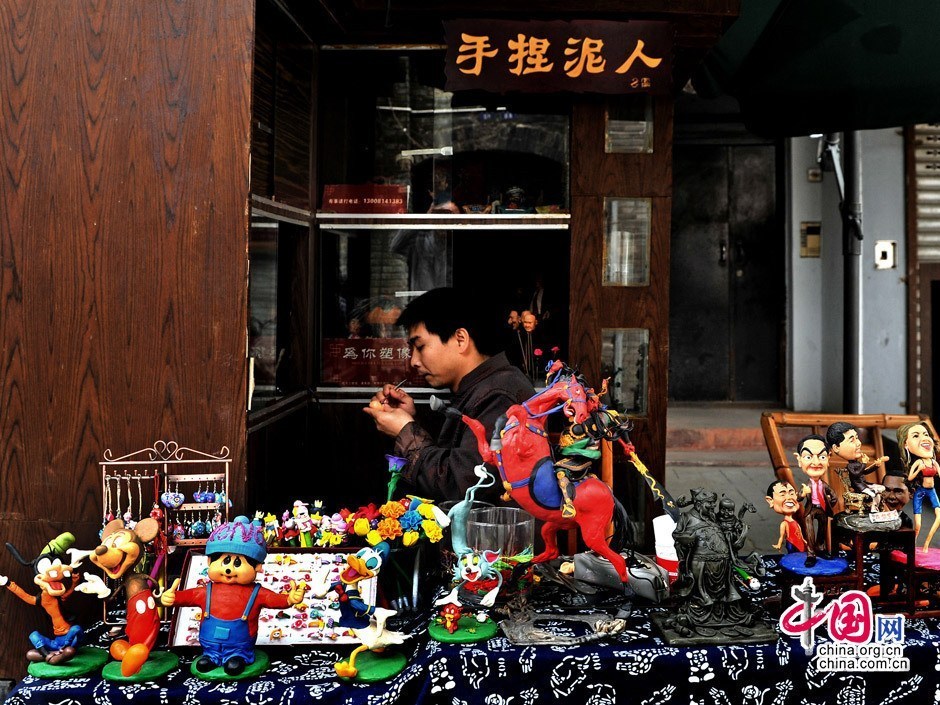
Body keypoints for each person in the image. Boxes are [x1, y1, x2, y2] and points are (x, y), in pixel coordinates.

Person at [363, 288, 534, 504]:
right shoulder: (482, 386)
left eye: (420, 346)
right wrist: (410, 421)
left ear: (460, 339)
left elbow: (463, 485)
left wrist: (406, 431)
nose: (413, 361)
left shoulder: (499, 395)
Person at [795, 434, 838, 568]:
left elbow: (834, 495)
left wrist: (832, 501)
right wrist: (802, 493)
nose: (816, 462)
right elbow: (798, 498)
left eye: (822, 457)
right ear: (799, 459)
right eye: (808, 457)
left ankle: (821, 548)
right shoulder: (806, 485)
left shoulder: (824, 485)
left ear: (828, 458)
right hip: (810, 509)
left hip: (823, 508)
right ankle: (811, 554)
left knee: (823, 530)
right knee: (809, 531)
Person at [898, 421, 940, 552]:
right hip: (921, 491)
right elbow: (910, 477)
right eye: (916, 436)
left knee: (939, 516)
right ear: (906, 444)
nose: (924, 438)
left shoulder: (933, 462)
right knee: (918, 523)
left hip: (931, 491)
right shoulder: (919, 462)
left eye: (926, 434)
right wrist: (919, 469)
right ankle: (914, 545)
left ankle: (926, 545)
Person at [826, 421, 887, 512]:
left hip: (864, 484)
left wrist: (876, 466)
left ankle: (877, 508)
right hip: (859, 486)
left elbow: (864, 472)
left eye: (857, 438)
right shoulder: (850, 466)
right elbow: (856, 473)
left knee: (881, 488)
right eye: (852, 440)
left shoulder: (857, 462)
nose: (858, 443)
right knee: (873, 493)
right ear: (836, 448)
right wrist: (864, 463)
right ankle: (874, 509)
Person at [765, 480, 806, 553]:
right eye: (782, 494)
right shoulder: (784, 524)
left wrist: (804, 541)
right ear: (770, 500)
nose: (789, 498)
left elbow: (800, 534)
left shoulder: (795, 522)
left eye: (792, 493)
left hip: (800, 544)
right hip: (792, 544)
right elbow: (782, 536)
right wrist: (779, 544)